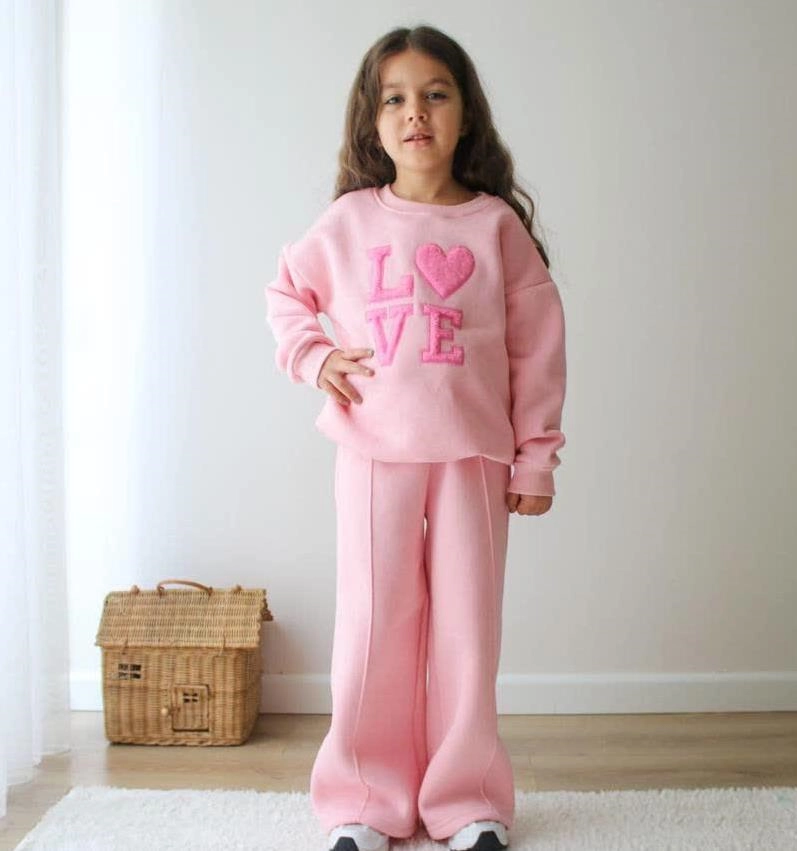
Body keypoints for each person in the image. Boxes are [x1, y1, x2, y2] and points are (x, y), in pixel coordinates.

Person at [264, 23, 566, 851]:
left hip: (474, 454)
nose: (415, 113)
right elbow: (287, 294)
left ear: (466, 113)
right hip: (372, 451)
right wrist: (315, 355)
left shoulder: (494, 226)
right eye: (394, 98)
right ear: (372, 120)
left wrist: (535, 458)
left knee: (467, 629)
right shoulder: (350, 220)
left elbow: (537, 348)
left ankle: (467, 800)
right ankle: (362, 799)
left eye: (435, 94)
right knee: (372, 623)